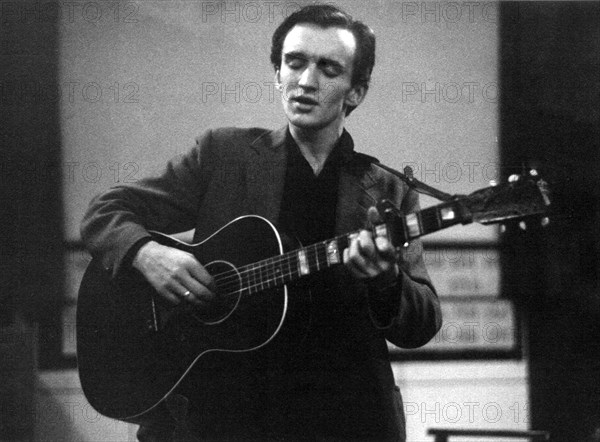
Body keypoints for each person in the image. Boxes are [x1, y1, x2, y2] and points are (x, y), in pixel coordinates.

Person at [81, 4, 442, 441]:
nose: (306, 81)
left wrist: (386, 282)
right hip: (225, 417)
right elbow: (106, 211)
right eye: (295, 62)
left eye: (329, 69)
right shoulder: (223, 155)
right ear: (277, 74)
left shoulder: (389, 191)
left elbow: (422, 324)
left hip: (346, 417)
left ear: (355, 92)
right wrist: (147, 253)